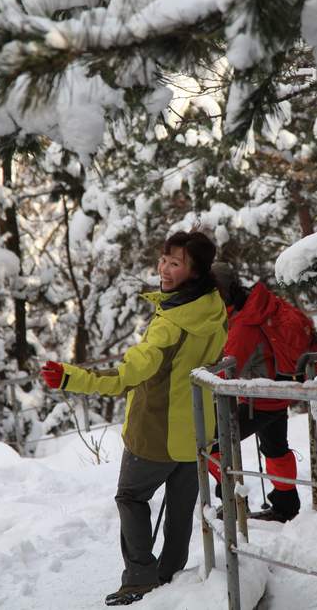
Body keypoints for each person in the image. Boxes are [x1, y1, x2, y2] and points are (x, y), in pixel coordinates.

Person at [41, 231, 227, 607]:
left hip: (155, 431)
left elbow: (128, 376)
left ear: (194, 272)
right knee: (178, 509)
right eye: (164, 259)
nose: (164, 268)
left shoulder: (169, 324)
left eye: (175, 263)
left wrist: (71, 377)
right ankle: (172, 574)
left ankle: (140, 578)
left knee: (130, 496)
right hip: (196, 430)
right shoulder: (213, 308)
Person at [208, 262, 316, 523]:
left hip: (263, 397)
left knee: (210, 440)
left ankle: (234, 502)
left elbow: (225, 372)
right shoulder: (258, 304)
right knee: (276, 448)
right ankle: (285, 508)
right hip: (278, 388)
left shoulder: (244, 325)